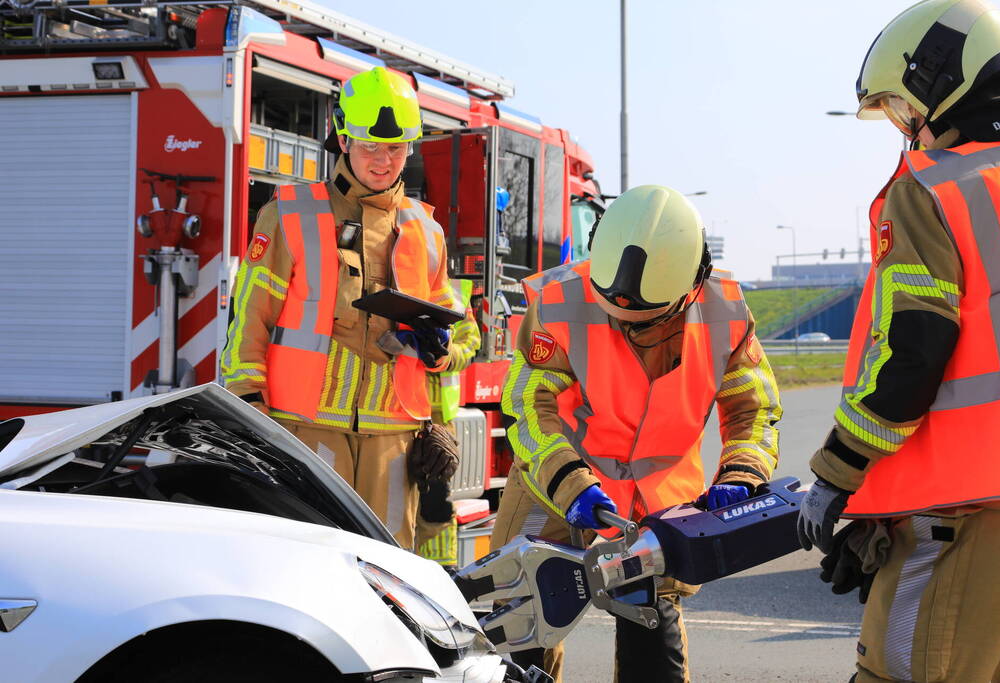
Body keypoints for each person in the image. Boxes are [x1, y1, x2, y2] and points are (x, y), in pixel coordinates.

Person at [795, 2, 1000, 681]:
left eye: (902, 106)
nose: (905, 127)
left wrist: (837, 474)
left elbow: (909, 356)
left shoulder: (933, 188)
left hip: (965, 508)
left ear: (939, 80)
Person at [491, 185, 782, 683]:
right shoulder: (561, 300)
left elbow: (753, 410)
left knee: (653, 644)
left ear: (689, 288)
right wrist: (570, 482)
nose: (622, 326)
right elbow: (527, 404)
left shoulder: (726, 315)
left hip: (657, 502)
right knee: (514, 630)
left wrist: (743, 469)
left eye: (641, 322)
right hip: (554, 483)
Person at [221, 66, 469, 550]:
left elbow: (462, 332)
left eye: (395, 148)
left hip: (396, 439)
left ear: (411, 148)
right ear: (342, 137)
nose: (382, 160)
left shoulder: (427, 231)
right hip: (304, 430)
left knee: (389, 575)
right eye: (370, 145)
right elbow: (249, 322)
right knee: (305, 568)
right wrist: (252, 415)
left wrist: (442, 356)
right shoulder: (289, 214)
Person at [414, 278, 482, 568]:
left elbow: (470, 342)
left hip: (438, 421)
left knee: (436, 500)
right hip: (392, 414)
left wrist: (446, 356)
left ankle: (442, 569)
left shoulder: (453, 292)